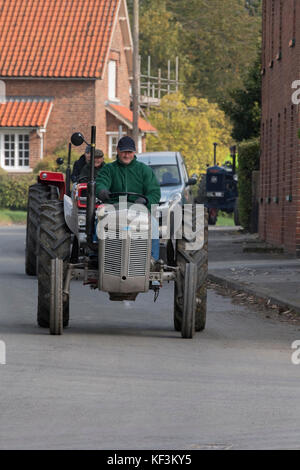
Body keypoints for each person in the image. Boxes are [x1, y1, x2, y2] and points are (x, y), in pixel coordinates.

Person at [95, 136, 161, 260]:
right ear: (118, 151)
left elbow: (155, 192)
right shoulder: (109, 169)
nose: (126, 155)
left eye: (129, 152)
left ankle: (152, 262)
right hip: (114, 208)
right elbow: (101, 182)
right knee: (98, 223)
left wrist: (145, 200)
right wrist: (102, 191)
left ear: (134, 152)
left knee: (154, 225)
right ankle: (97, 257)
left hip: (138, 210)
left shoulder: (144, 170)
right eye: (124, 152)